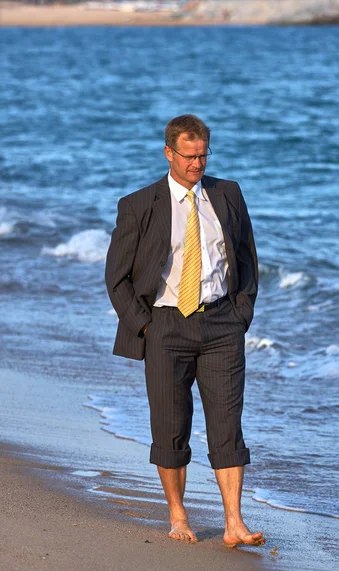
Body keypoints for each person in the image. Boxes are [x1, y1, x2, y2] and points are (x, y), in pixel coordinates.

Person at [105, 114, 264, 547]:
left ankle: (234, 522)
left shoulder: (227, 194)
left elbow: (248, 259)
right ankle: (178, 515)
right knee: (170, 426)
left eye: (203, 155)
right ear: (169, 153)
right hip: (165, 325)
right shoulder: (138, 205)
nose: (197, 164)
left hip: (221, 325)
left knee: (228, 425)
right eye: (189, 156)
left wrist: (241, 314)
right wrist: (144, 326)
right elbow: (116, 279)